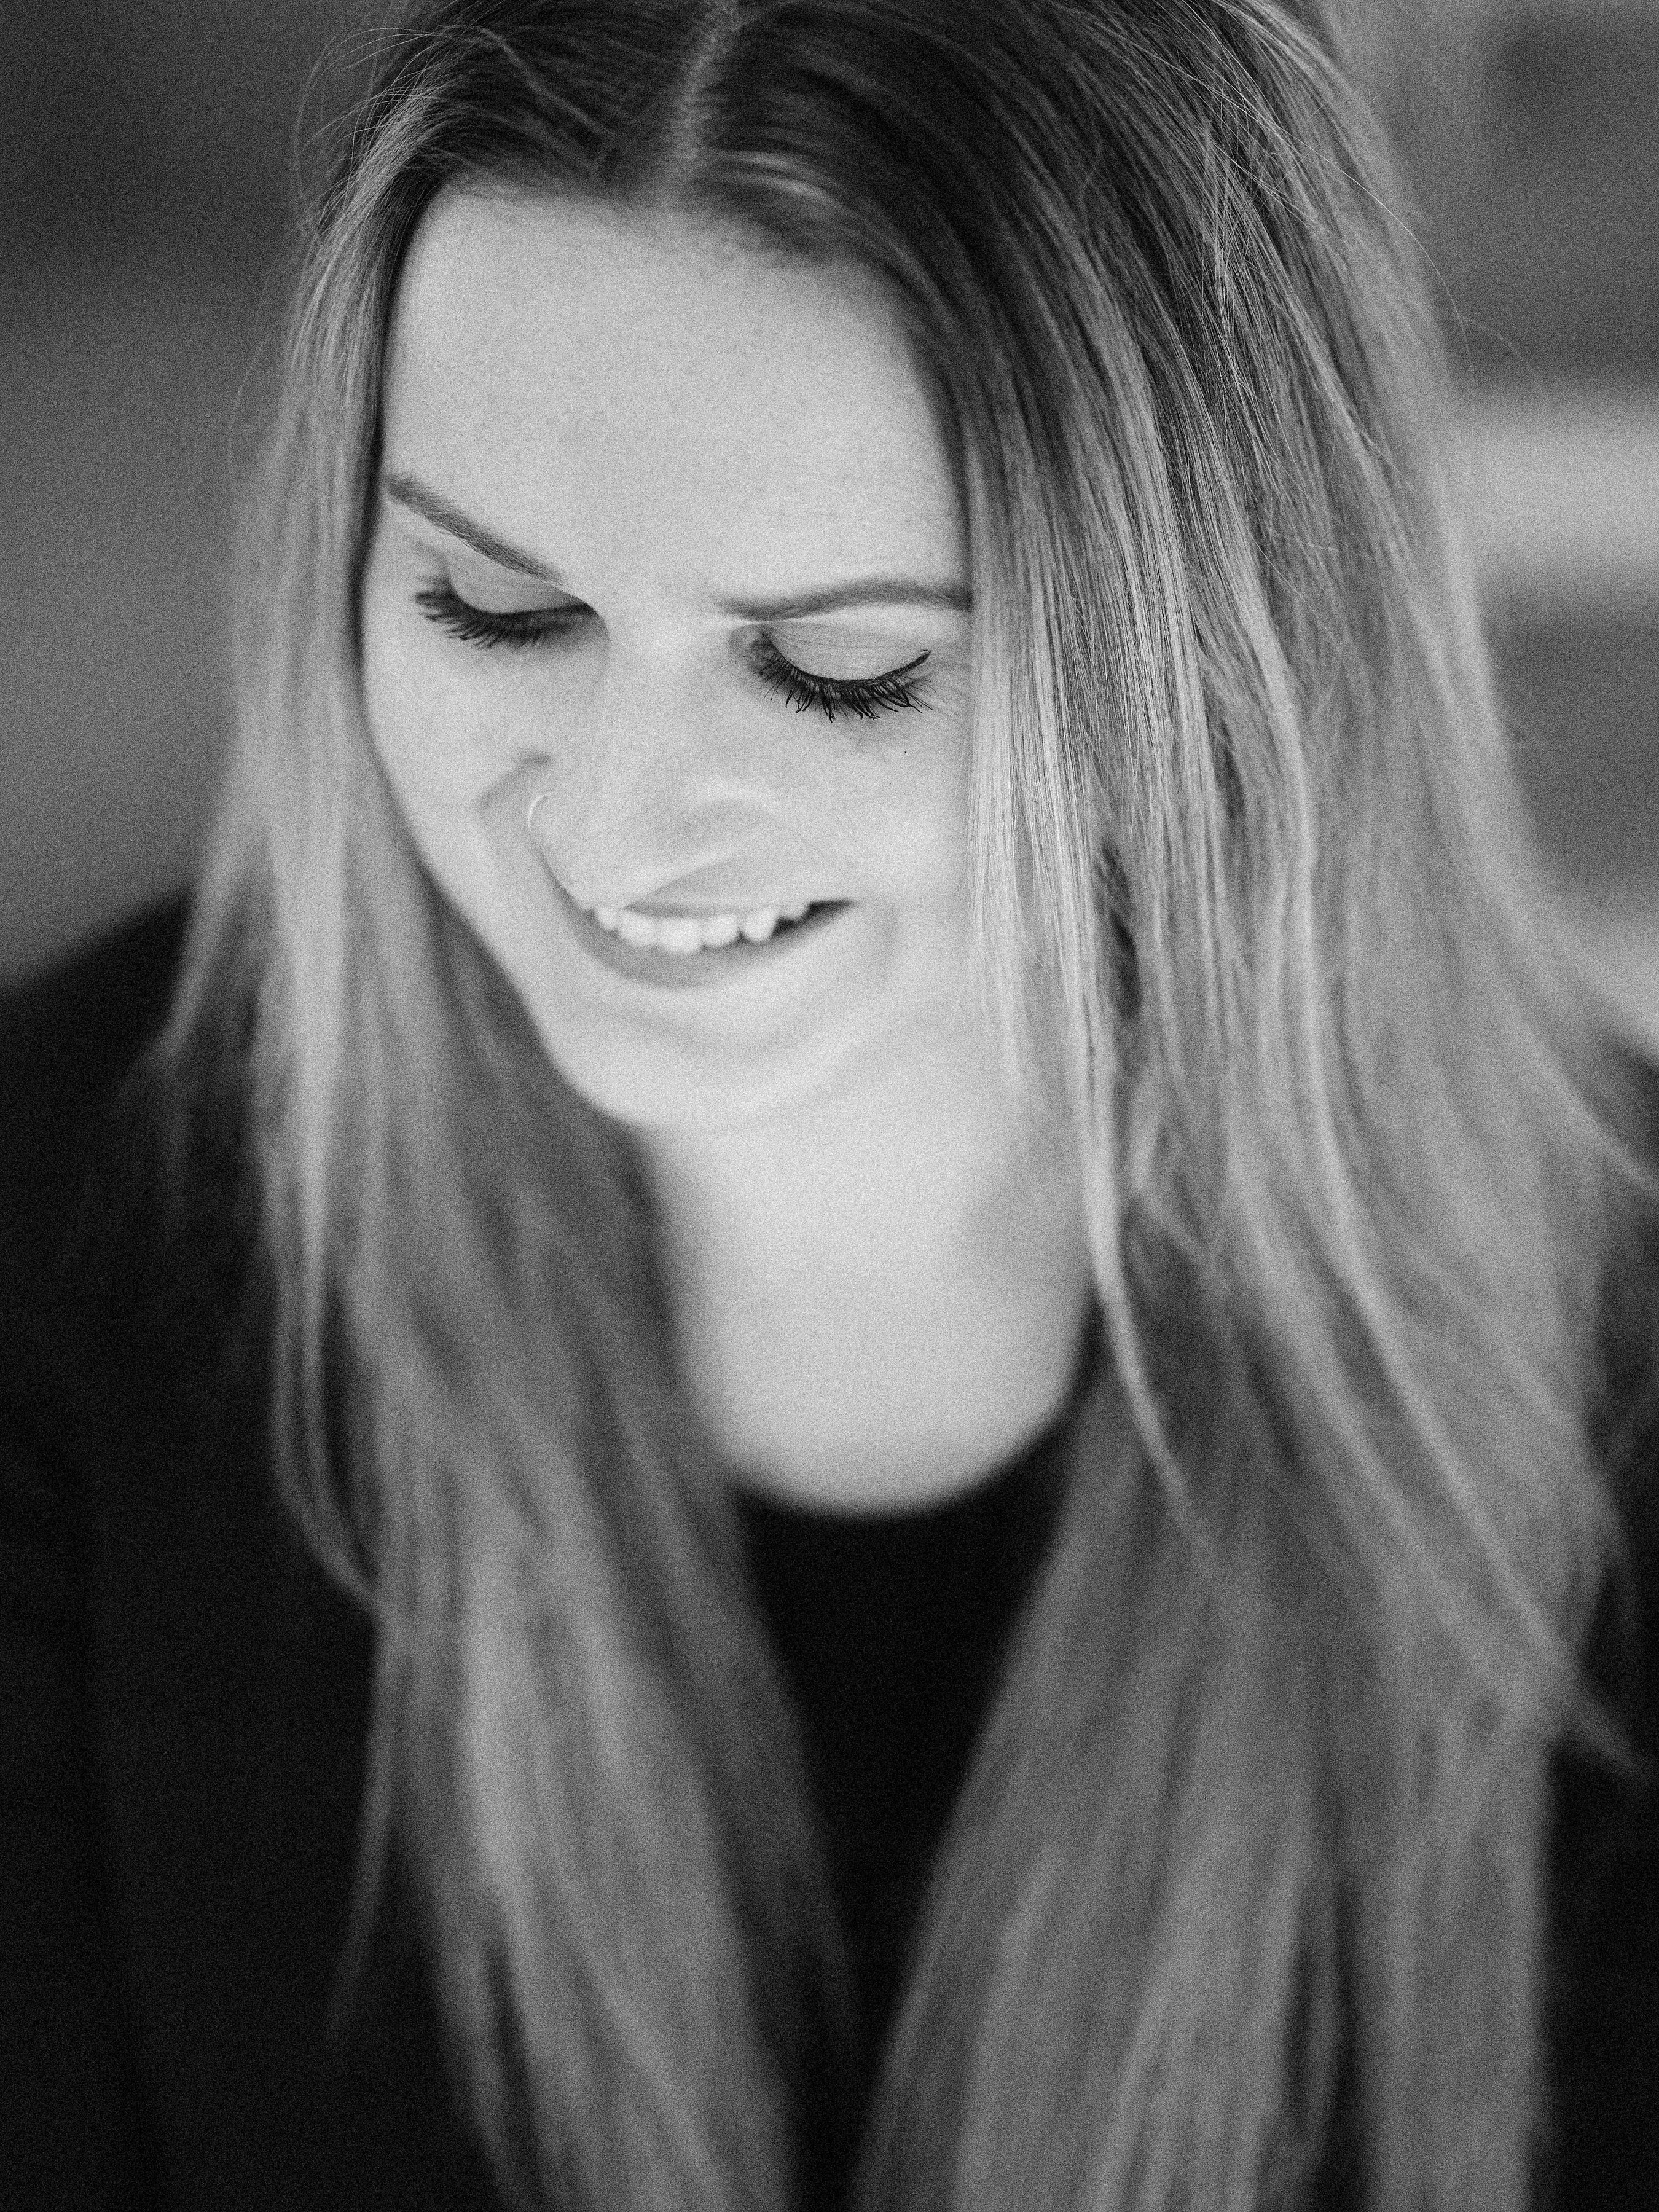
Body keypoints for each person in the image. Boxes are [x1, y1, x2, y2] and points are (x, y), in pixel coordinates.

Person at [2, 1, 1656, 2207]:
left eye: (841, 667)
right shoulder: (62, 1237)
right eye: (493, 606)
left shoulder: (1616, 1388)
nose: (615, 819)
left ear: (1216, 652)